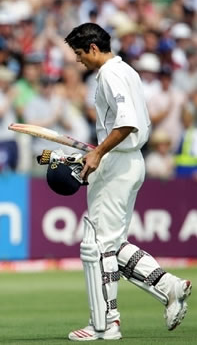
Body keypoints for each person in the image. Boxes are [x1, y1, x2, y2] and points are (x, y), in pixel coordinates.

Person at [65, 23, 192, 341]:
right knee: (110, 244)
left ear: (93, 48)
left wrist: (98, 154)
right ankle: (169, 287)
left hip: (119, 162)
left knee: (95, 246)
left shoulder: (110, 74)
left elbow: (126, 123)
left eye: (80, 54)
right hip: (128, 161)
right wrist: (99, 153)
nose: (79, 60)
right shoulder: (127, 71)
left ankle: (105, 324)